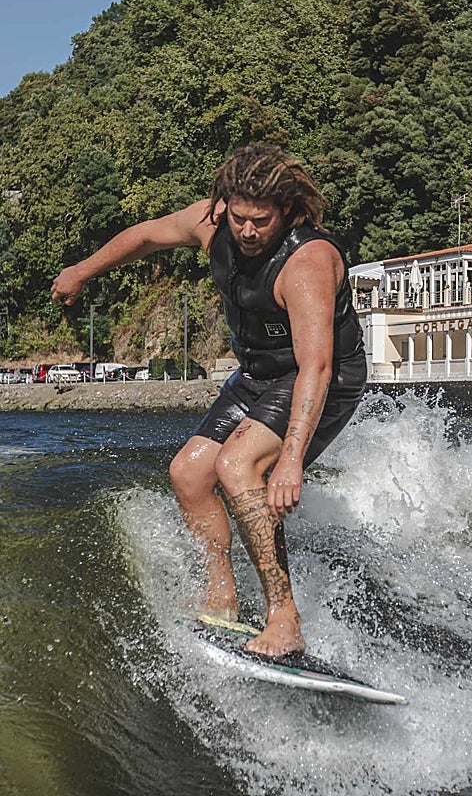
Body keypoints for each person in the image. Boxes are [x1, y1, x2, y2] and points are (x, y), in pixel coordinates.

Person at [50, 144, 367, 658]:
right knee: (189, 473)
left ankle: (284, 619)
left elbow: (318, 367)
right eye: (238, 217)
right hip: (260, 373)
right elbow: (147, 234)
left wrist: (289, 459)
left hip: (322, 376)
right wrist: (84, 270)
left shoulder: (307, 261)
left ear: (286, 211)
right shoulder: (213, 223)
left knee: (238, 464)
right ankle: (222, 595)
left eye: (260, 221)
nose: (246, 231)